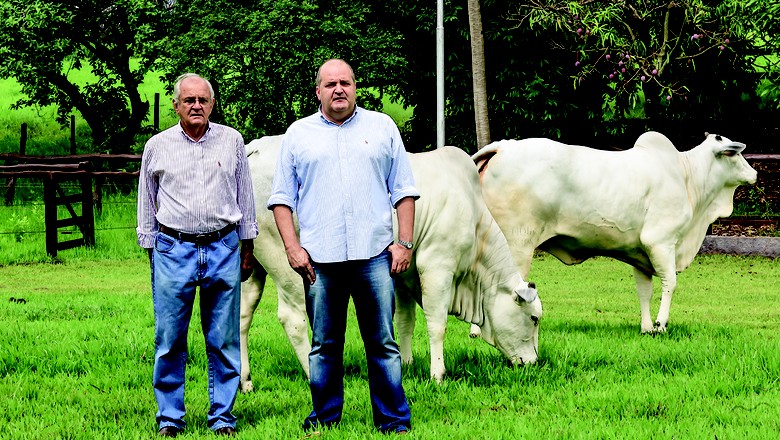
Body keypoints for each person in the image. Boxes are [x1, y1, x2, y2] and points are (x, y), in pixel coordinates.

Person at [268, 58, 418, 434]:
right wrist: (292, 247)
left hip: (374, 258)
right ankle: (324, 417)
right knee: (324, 347)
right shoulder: (299, 134)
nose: (339, 89)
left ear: (355, 87)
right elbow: (282, 198)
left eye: (346, 83)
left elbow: (404, 190)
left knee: (383, 344)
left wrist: (404, 243)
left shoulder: (382, 127)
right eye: (330, 83)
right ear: (317, 91)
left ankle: (393, 420)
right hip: (320, 261)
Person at [136, 73, 258, 437]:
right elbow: (147, 200)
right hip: (174, 248)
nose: (196, 106)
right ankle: (170, 417)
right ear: (176, 105)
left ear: (212, 104)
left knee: (223, 338)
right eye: (188, 100)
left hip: (223, 247)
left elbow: (245, 196)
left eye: (203, 100)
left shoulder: (232, 140)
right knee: (170, 337)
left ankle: (222, 416)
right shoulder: (157, 145)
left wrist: (246, 245)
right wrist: (152, 249)